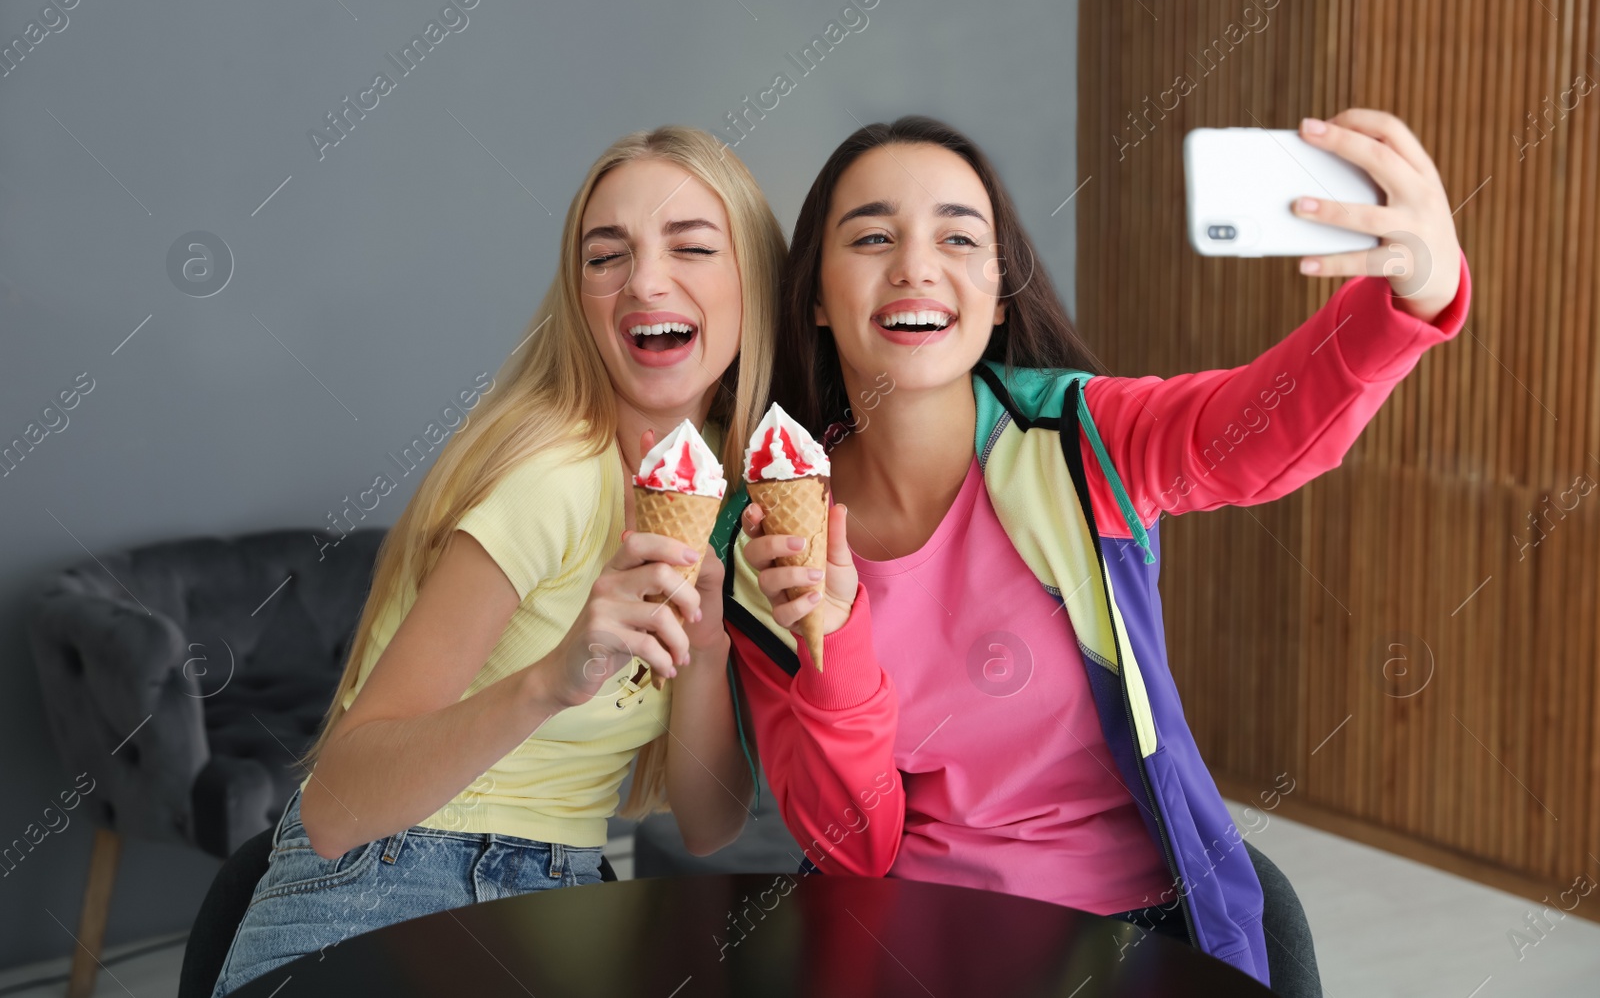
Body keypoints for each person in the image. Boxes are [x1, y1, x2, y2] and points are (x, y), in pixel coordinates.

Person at [724, 111, 1469, 995]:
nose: (916, 265)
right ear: (814, 293)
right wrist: (831, 635)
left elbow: (1257, 429)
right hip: (922, 944)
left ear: (998, 289)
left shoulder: (1081, 437)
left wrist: (1411, 294)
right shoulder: (768, 538)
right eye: (874, 235)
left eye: (959, 236)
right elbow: (850, 845)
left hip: (1137, 932)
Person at [212, 124, 783, 996]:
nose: (644, 281)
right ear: (579, 294)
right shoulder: (551, 479)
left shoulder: (727, 499)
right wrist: (553, 677)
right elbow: (336, 807)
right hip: (387, 876)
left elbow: (709, 827)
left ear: (756, 283)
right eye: (607, 256)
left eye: (692, 247)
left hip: (567, 892)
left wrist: (707, 654)